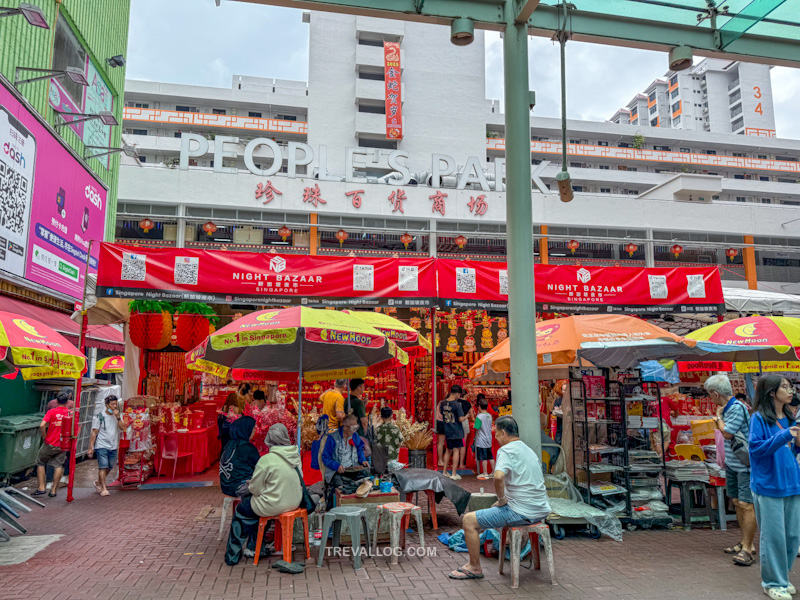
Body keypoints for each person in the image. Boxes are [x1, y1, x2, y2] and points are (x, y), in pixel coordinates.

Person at [449, 416, 551, 580]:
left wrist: (502, 499)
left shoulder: (506, 450)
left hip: (521, 512)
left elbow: (497, 477)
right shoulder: (528, 450)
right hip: (541, 510)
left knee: (468, 520)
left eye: (496, 433)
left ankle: (474, 567)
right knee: (493, 510)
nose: (495, 436)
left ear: (503, 433)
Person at [749, 375, 800, 600]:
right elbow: (757, 449)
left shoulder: (791, 417)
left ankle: (782, 577)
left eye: (792, 387)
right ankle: (772, 582)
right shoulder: (758, 419)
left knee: (791, 536)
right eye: (786, 387)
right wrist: (784, 435)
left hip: (792, 482)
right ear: (772, 392)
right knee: (773, 537)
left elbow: (792, 451)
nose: (791, 392)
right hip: (768, 484)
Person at [226, 424, 302, 565]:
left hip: (275, 504)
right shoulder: (295, 455)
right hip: (294, 501)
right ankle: (257, 546)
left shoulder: (266, 460)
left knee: (242, 510)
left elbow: (255, 489)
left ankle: (233, 555)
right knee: (256, 510)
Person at [705, 373, 757, 567]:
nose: (710, 398)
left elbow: (727, 433)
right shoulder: (730, 408)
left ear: (716, 393)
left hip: (744, 465)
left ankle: (748, 547)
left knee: (746, 504)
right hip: (733, 464)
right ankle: (744, 542)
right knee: (736, 501)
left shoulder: (735, 408)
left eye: (710, 394)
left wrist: (717, 418)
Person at [322, 415, 370, 503]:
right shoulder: (333, 437)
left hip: (351, 469)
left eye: (356, 427)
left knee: (366, 478)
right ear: (345, 427)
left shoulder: (354, 436)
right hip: (336, 471)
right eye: (353, 428)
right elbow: (325, 457)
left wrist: (363, 459)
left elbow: (359, 448)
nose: (355, 430)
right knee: (340, 487)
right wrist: (336, 466)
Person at [33, 393, 71, 497]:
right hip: (63, 444)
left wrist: (45, 437)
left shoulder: (52, 412)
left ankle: (41, 487)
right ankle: (53, 491)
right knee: (58, 465)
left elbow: (42, 425)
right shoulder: (69, 413)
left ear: (56, 401)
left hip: (50, 443)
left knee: (40, 462)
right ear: (67, 402)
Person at [87, 395, 125, 497]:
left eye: (115, 404)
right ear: (106, 405)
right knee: (103, 466)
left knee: (110, 466)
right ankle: (104, 487)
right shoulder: (100, 416)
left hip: (113, 445)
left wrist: (118, 417)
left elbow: (123, 428)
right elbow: (94, 432)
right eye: (112, 404)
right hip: (101, 445)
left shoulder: (117, 416)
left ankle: (99, 482)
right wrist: (91, 447)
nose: (114, 406)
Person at [219, 416, 260, 498]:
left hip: (226, 487)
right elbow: (260, 466)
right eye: (253, 428)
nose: (255, 431)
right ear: (246, 429)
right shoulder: (246, 448)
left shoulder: (229, 445)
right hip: (240, 487)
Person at [441, 385, 467, 480]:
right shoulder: (457, 404)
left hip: (448, 430)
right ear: (456, 393)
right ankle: (454, 473)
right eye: (459, 394)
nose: (459, 396)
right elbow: (460, 419)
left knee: (448, 451)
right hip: (456, 430)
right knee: (456, 450)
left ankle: (444, 471)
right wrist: (466, 416)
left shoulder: (443, 403)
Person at [474, 396, 495, 480]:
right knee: (490, 456)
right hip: (489, 438)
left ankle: (485, 473)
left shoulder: (479, 416)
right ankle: (493, 472)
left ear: (479, 407)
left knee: (483, 457)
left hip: (481, 439)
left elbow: (477, 427)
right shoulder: (489, 416)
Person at [458, 389, 473, 471]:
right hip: (464, 422)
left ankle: (455, 462)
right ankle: (461, 463)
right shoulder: (468, 403)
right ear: (466, 395)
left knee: (456, 443)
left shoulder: (455, 402)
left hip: (456, 422)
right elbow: (472, 416)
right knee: (463, 442)